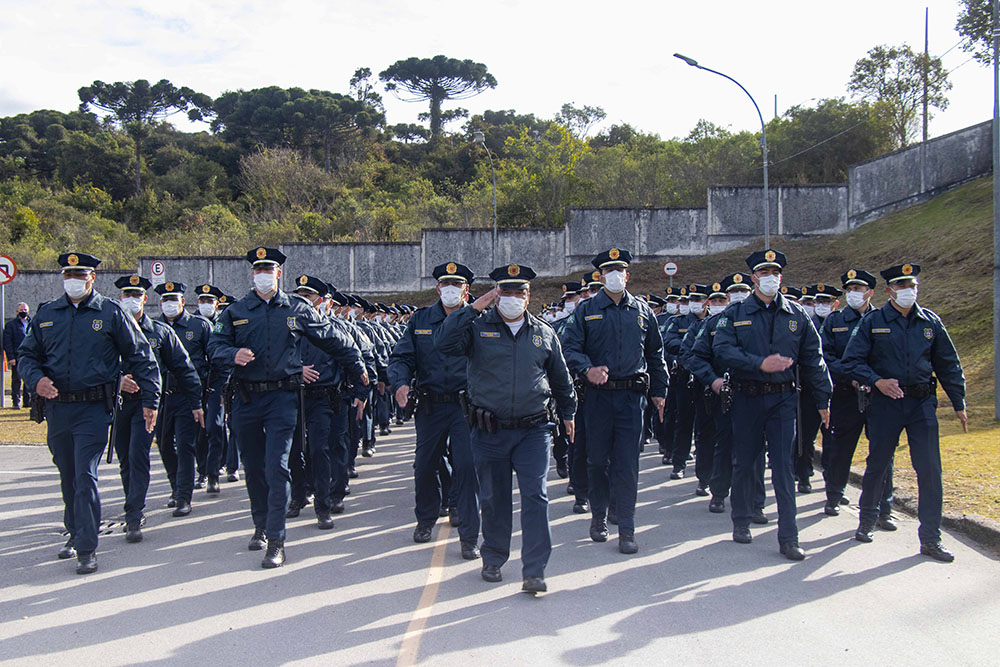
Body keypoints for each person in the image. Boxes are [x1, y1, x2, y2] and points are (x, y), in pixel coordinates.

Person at [208, 247, 368, 569]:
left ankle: (277, 540)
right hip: (246, 398)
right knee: (252, 468)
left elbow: (332, 338)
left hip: (283, 399)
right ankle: (260, 526)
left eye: (268, 268)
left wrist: (358, 365)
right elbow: (214, 345)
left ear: (278, 273)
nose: (263, 274)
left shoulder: (296, 309)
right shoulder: (236, 311)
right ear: (252, 274)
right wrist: (231, 354)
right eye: (257, 269)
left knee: (276, 466)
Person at [16, 252, 162, 574]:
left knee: (85, 475)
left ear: (91, 278)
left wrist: (151, 400)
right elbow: (27, 355)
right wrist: (35, 379)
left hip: (94, 409)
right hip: (58, 409)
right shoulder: (46, 314)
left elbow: (141, 357)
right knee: (68, 475)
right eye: (68, 274)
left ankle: (86, 547)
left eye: (79, 275)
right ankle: (75, 529)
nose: (73, 280)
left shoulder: (110, 313)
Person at [438, 264, 576, 594]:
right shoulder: (477, 328)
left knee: (536, 497)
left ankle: (534, 569)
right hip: (490, 430)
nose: (512, 298)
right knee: (494, 498)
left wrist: (569, 413)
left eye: (519, 293)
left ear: (529, 297)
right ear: (496, 295)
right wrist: (474, 307)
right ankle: (495, 556)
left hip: (534, 430)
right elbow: (443, 342)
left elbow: (561, 378)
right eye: (506, 292)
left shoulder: (544, 333)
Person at [841, 263, 967, 562]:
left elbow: (948, 363)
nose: (907, 290)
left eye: (911, 284)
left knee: (929, 469)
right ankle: (867, 520)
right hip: (886, 403)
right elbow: (851, 362)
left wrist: (958, 401)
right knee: (878, 462)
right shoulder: (874, 322)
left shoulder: (930, 322)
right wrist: (877, 381)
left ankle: (930, 539)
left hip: (921, 403)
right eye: (900, 285)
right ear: (889, 290)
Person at [712, 249, 832, 561]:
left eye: (776, 272)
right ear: (754, 278)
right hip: (747, 396)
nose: (771, 278)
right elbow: (722, 350)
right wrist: (758, 364)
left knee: (783, 466)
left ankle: (789, 537)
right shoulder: (735, 314)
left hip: (783, 400)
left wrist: (823, 399)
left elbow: (813, 359)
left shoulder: (796, 315)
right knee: (746, 461)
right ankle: (741, 520)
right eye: (765, 272)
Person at [561, 248, 668, 555]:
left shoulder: (642, 310)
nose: (615, 275)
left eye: (619, 270)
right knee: (596, 460)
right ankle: (599, 515)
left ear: (627, 275)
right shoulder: (586, 310)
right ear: (601, 276)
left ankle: (627, 527)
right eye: (609, 271)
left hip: (631, 398)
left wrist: (660, 390)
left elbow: (655, 354)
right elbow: (568, 348)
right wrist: (587, 369)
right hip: (598, 399)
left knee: (627, 464)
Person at [388, 261, 481, 560]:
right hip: (431, 404)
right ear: (438, 287)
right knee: (424, 465)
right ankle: (426, 518)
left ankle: (468, 535)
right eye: (445, 284)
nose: (450, 290)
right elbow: (401, 357)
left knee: (467, 466)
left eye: (456, 285)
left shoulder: (478, 320)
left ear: (466, 289)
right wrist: (400, 383)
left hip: (466, 406)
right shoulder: (421, 319)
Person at [113, 275, 203, 542]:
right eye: (126, 295)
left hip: (152, 404)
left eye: (136, 295)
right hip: (119, 405)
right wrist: (117, 380)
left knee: (139, 455)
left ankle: (135, 513)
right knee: (125, 458)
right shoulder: (109, 329)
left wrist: (196, 401)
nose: (131, 299)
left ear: (144, 299)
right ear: (120, 299)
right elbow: (94, 363)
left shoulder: (160, 332)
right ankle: (134, 501)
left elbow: (184, 369)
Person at [684, 273, 768, 519]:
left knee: (755, 450)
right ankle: (719, 492)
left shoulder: (760, 320)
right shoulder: (713, 324)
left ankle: (755, 502)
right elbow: (695, 357)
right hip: (725, 394)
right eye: (733, 293)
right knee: (724, 443)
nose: (738, 297)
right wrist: (713, 379)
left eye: (743, 291)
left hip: (757, 393)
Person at [819, 269, 895, 520]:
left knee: (883, 451)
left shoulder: (884, 319)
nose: (853, 293)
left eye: (858, 289)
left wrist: (874, 380)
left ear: (870, 292)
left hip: (878, 395)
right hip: (845, 394)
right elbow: (826, 358)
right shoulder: (834, 321)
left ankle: (883, 506)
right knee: (840, 448)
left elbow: (889, 357)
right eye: (849, 289)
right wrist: (852, 378)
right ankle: (833, 495)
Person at [153, 280, 212, 516]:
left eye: (173, 299)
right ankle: (175, 486)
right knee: (164, 444)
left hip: (187, 395)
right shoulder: (153, 328)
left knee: (186, 445)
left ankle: (184, 496)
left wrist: (209, 391)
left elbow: (213, 359)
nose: (169, 304)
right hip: (160, 398)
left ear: (183, 302)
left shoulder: (199, 326)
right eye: (165, 300)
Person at [193, 283, 231, 494]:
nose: (205, 304)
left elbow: (225, 357)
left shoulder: (222, 323)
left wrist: (225, 386)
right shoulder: (192, 323)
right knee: (199, 429)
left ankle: (214, 473)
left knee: (215, 426)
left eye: (209, 301)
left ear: (217, 304)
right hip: (196, 383)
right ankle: (202, 470)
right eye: (202, 300)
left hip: (217, 382)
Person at [3, 302, 32, 408]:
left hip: (30, 356)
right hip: (17, 356)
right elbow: (8, 342)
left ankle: (27, 401)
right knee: (16, 380)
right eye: (21, 310)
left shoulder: (32, 323)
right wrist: (11, 357)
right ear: (17, 311)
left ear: (28, 311)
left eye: (25, 310)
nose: (23, 312)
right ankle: (16, 402)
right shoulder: (11, 325)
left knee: (28, 380)